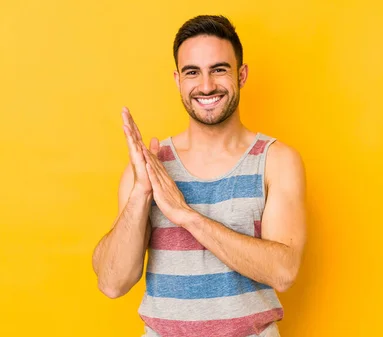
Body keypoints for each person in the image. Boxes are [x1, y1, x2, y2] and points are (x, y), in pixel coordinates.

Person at [91, 15, 307, 337]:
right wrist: (141, 193)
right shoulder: (150, 168)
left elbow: (283, 271)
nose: (206, 86)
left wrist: (188, 217)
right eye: (193, 72)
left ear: (242, 74)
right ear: (178, 80)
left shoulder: (276, 160)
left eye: (219, 69)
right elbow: (111, 282)